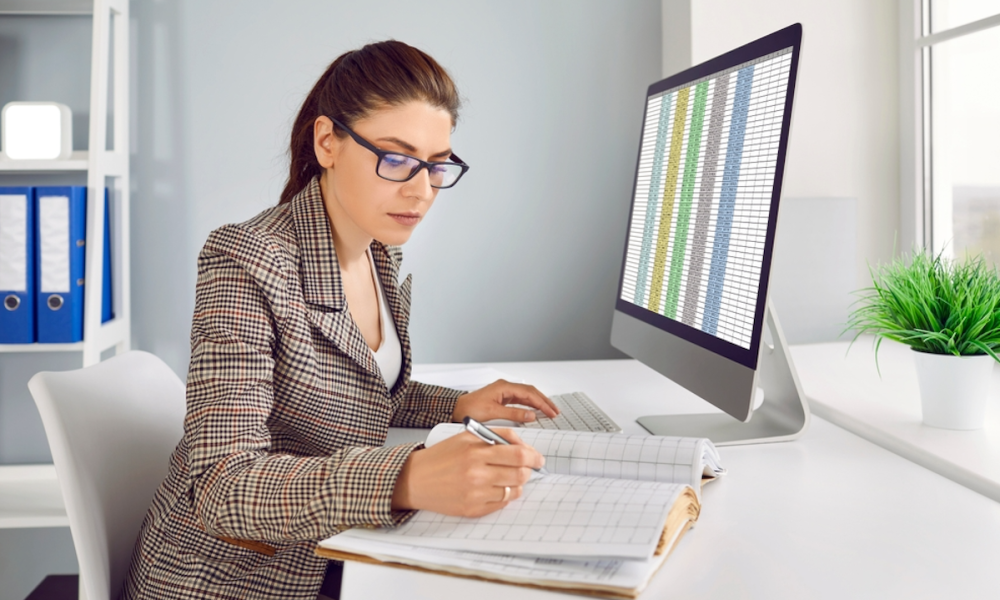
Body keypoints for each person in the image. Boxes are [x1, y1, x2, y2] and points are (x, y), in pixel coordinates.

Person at [120, 40, 558, 600]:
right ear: (328, 142)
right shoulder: (247, 259)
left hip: (336, 550)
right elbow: (221, 487)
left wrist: (455, 405)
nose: (421, 190)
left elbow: (359, 394)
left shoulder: (377, 251)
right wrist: (408, 477)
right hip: (236, 582)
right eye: (396, 158)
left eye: (437, 165)